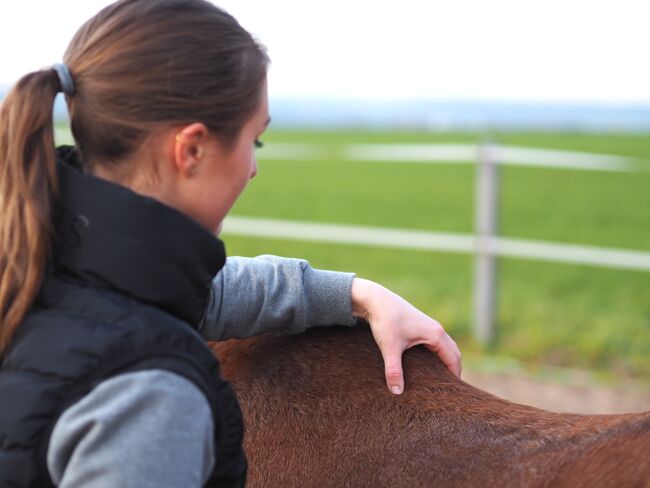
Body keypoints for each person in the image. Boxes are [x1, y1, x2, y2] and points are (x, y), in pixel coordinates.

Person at [0, 0, 462, 486]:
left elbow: (195, 293)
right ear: (191, 149)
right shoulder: (149, 394)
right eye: (253, 141)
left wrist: (355, 294)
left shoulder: (33, 259)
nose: (253, 167)